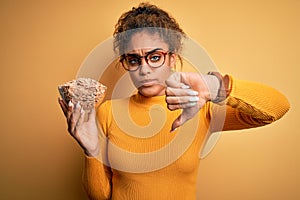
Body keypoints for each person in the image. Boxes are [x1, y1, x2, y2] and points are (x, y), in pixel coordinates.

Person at [58, 3, 290, 200]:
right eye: (134, 60)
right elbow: (101, 196)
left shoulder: (200, 107)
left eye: (155, 57)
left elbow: (277, 108)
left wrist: (214, 86)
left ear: (172, 58)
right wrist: (92, 150)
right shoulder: (107, 112)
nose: (144, 70)